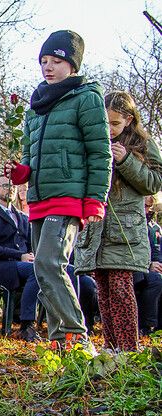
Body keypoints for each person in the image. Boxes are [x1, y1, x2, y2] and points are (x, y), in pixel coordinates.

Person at [6, 30, 112, 352]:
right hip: (38, 200)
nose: (48, 67)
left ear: (72, 64)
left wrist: (95, 198)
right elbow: (29, 157)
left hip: (68, 198)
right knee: (42, 269)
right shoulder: (34, 108)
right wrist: (21, 173)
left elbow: (100, 152)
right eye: (43, 61)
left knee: (50, 263)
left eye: (56, 61)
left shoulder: (86, 98)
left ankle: (76, 336)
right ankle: (59, 345)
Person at [74, 91, 162, 351]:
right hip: (97, 227)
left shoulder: (143, 144)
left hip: (126, 230)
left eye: (115, 123)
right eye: (105, 123)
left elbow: (154, 182)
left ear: (129, 119)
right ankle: (111, 347)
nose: (110, 129)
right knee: (104, 290)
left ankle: (128, 347)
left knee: (122, 288)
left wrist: (125, 161)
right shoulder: (92, 140)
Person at [0, 176, 40, 341]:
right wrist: (20, 256)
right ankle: (26, 325)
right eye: (4, 185)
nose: (9, 188)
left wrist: (33, 256)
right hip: (0, 267)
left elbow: (31, 243)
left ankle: (67, 326)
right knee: (36, 271)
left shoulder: (23, 217)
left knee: (62, 270)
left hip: (24, 263)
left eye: (12, 186)